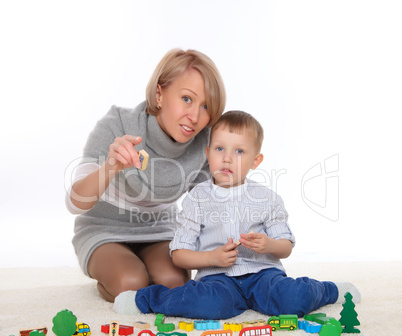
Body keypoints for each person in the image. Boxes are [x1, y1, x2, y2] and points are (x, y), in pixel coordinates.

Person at [113, 110, 360, 319]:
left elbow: (285, 247)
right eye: (220, 149)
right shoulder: (197, 198)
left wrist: (269, 244)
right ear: (208, 154)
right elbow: (179, 255)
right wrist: (212, 257)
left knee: (292, 300)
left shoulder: (267, 198)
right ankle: (143, 299)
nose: (227, 158)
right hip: (218, 279)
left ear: (256, 160)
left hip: (264, 275)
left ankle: (330, 291)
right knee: (205, 304)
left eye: (239, 152)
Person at [65, 49, 226, 303]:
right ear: (159, 94)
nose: (194, 117)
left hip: (158, 231)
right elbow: (74, 203)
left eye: (205, 106)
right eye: (187, 99)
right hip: (103, 230)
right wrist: (111, 167)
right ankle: (115, 275)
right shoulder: (117, 124)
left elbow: (206, 205)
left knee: (174, 281)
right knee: (131, 282)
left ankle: (143, 270)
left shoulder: (204, 144)